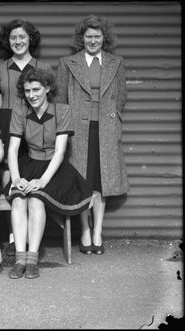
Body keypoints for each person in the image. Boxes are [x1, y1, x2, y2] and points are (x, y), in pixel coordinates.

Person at [6, 67, 92, 279]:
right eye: (27, 91)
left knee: (36, 199)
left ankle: (32, 258)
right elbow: (13, 149)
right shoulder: (20, 112)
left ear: (47, 88)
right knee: (18, 200)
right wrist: (16, 178)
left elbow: (61, 151)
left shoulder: (62, 111)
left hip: (55, 168)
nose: (32, 95)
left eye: (36, 89)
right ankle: (19, 258)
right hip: (29, 163)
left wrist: (43, 181)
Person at [56, 15, 128, 255]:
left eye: (97, 36)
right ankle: (85, 231)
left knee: (100, 183)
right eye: (89, 36)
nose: (93, 40)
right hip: (78, 131)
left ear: (103, 38)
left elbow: (121, 97)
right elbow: (60, 100)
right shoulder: (68, 62)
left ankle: (97, 231)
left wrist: (112, 117)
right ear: (82, 38)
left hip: (105, 131)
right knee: (82, 182)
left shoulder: (115, 63)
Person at [0, 19, 53, 256]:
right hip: (7, 123)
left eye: (22, 37)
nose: (18, 42)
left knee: (30, 167)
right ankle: (14, 237)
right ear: (8, 42)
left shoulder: (42, 68)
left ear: (30, 40)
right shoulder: (0, 68)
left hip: (34, 123)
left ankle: (29, 237)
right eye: (13, 38)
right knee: (9, 170)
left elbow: (50, 103)